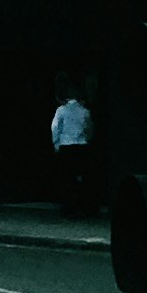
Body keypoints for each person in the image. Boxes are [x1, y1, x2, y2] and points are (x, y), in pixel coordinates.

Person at [50, 85, 94, 213]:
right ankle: (80, 205)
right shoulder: (85, 111)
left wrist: (56, 144)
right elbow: (88, 129)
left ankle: (68, 205)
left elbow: (55, 127)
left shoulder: (61, 110)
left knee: (67, 177)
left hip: (66, 146)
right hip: (81, 146)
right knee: (80, 176)